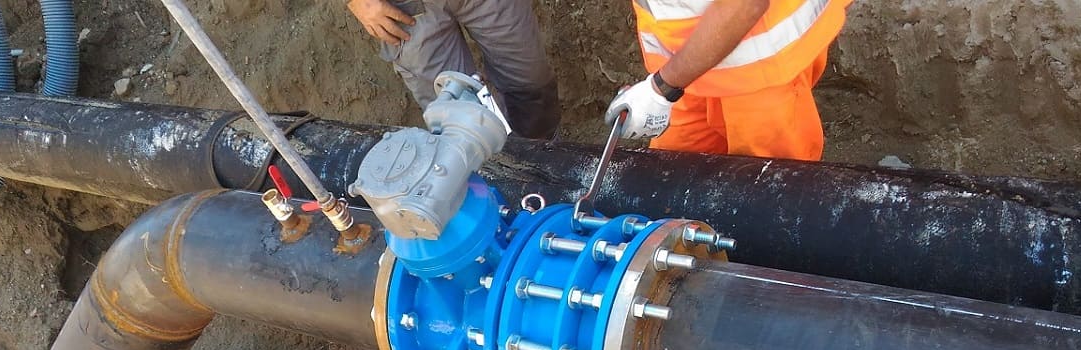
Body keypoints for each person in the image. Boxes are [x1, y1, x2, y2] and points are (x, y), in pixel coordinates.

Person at [605, 0, 851, 160]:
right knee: (674, 177)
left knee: (770, 188)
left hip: (759, 68)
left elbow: (745, 5)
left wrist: (661, 88)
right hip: (685, 66)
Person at [345, 0, 561, 139]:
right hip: (407, 10)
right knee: (458, 123)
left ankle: (544, 174)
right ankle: (492, 189)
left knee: (531, 88)